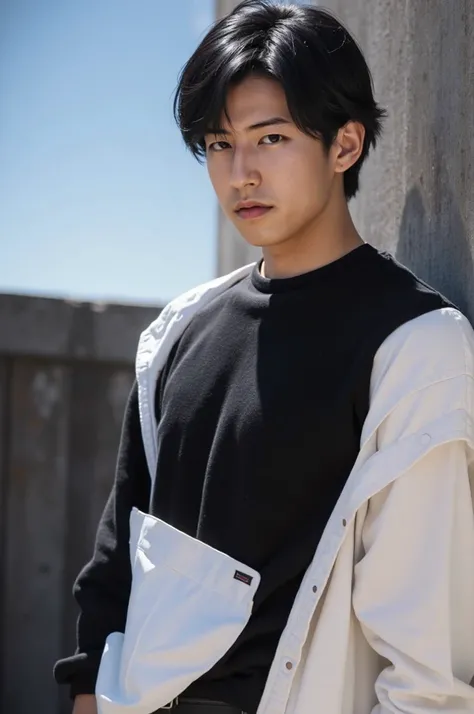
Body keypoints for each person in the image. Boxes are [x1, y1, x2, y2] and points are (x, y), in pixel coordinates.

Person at [54, 1, 474, 713]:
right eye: (220, 144)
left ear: (345, 145)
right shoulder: (178, 333)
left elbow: (426, 666)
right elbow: (117, 562)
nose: (239, 172)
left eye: (270, 137)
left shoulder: (414, 346)